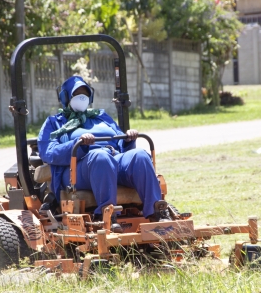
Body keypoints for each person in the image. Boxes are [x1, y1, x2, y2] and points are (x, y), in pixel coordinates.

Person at [37, 76, 171, 232]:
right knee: (101, 157)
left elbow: (120, 144)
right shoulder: (54, 123)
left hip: (112, 158)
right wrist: (77, 144)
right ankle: (107, 215)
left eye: (85, 94)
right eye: (77, 94)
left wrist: (128, 139)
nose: (82, 98)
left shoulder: (101, 117)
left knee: (140, 156)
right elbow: (48, 152)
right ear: (66, 97)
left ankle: (157, 212)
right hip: (79, 168)